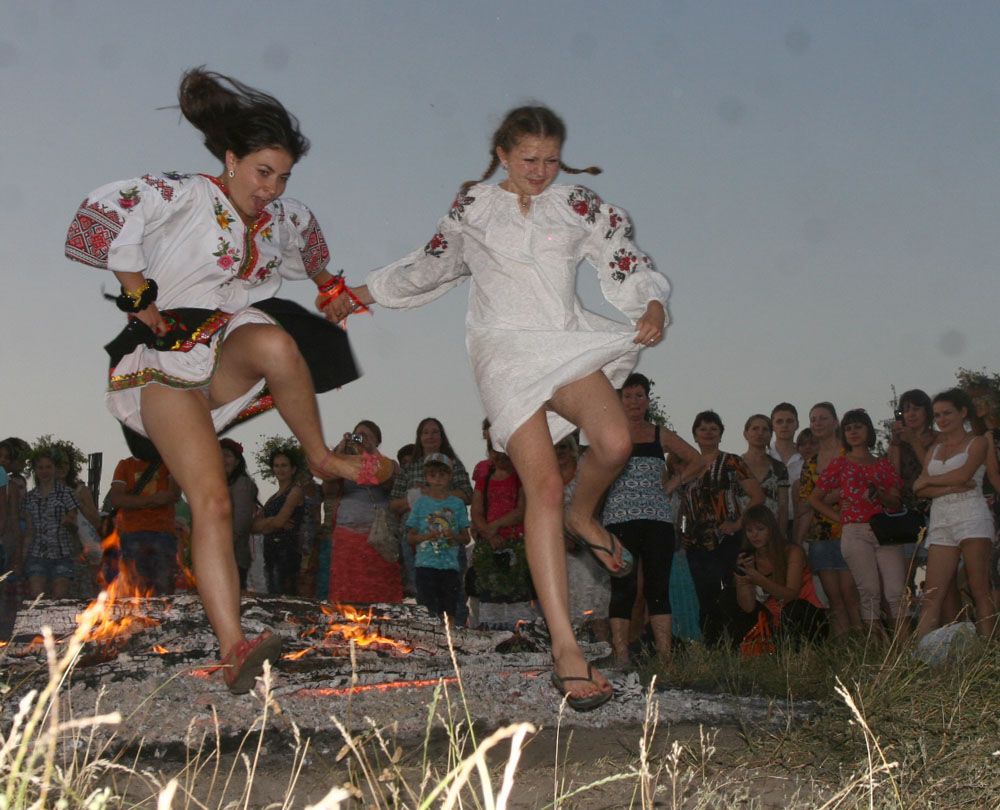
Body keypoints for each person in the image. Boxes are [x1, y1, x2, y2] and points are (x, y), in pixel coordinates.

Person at [330, 105, 670, 711]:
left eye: (551, 159)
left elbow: (624, 257)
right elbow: (430, 263)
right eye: (528, 159)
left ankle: (583, 517)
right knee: (541, 486)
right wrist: (359, 293)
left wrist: (650, 303)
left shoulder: (579, 206)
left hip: (562, 338)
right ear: (504, 155)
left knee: (615, 441)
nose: (541, 171)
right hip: (503, 350)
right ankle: (567, 651)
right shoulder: (474, 208)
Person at [65, 68, 390, 693]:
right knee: (211, 501)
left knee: (275, 338)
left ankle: (321, 455)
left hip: (229, 343)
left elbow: (313, 254)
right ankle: (234, 644)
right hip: (165, 359)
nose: (272, 188)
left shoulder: (285, 216)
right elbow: (104, 216)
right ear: (232, 159)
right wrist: (139, 296)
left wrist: (329, 288)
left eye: (283, 176)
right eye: (262, 172)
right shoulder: (185, 194)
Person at [601, 372, 701, 667]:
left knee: (658, 586)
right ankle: (621, 655)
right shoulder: (608, 433)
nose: (634, 402)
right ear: (619, 400)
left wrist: (672, 484)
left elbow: (697, 459)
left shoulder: (659, 434)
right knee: (623, 587)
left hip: (657, 519)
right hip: (619, 519)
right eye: (628, 396)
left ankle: (666, 657)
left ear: (647, 400)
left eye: (639, 396)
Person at [808, 409, 906, 639]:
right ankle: (876, 646)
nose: (853, 432)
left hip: (885, 529)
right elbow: (814, 498)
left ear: (868, 430)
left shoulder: (883, 464)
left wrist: (880, 494)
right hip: (855, 531)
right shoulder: (840, 464)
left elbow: (896, 501)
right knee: (868, 590)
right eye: (849, 428)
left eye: (858, 426)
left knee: (895, 591)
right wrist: (841, 519)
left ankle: (903, 645)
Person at [913, 389, 997, 640]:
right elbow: (918, 489)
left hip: (972, 515)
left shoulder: (979, 442)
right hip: (941, 519)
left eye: (947, 413)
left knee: (979, 588)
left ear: (963, 412)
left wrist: (929, 481)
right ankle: (919, 656)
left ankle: (987, 652)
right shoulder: (935, 449)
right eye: (937, 415)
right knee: (932, 594)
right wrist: (948, 486)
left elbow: (963, 475)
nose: (942, 419)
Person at [676, 410, 764, 639]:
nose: (708, 432)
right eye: (702, 428)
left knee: (734, 590)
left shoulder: (733, 461)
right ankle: (712, 647)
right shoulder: (686, 464)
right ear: (694, 435)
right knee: (705, 595)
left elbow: (757, 496)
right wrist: (681, 533)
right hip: (695, 541)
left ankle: (742, 643)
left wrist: (737, 524)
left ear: (721, 433)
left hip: (728, 538)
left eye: (713, 428)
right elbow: (680, 503)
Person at [712, 504, 827, 649]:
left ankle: (792, 652)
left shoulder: (791, 551)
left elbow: (791, 595)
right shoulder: (748, 557)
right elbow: (748, 607)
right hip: (771, 618)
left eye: (760, 529)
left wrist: (759, 579)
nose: (754, 535)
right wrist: (742, 578)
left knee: (794, 609)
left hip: (803, 614)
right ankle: (744, 647)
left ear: (771, 529)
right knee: (727, 596)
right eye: (749, 530)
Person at [796, 403, 862, 637]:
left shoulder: (851, 454)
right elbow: (804, 504)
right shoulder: (811, 462)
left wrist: (821, 498)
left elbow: (859, 488)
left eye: (823, 418)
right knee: (833, 600)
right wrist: (798, 543)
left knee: (851, 594)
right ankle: (842, 650)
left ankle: (865, 647)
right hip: (820, 536)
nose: (818, 423)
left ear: (835, 422)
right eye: (813, 419)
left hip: (850, 532)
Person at [390, 418, 473, 601]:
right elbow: (393, 504)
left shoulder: (453, 464)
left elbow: (467, 494)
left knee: (453, 594)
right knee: (423, 593)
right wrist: (415, 497)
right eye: (425, 432)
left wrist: (436, 493)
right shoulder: (410, 467)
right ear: (419, 437)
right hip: (415, 540)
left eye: (435, 432)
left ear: (442, 436)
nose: (430, 436)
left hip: (449, 538)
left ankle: (456, 628)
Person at [327, 420, 403, 605]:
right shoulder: (344, 462)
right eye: (357, 434)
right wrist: (339, 454)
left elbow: (393, 486)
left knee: (379, 585)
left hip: (377, 536)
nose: (361, 439)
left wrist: (371, 455)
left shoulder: (388, 464)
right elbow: (328, 490)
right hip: (348, 532)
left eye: (366, 436)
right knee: (347, 586)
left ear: (377, 441)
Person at [470, 435, 531, 629]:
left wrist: (495, 526)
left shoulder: (520, 477)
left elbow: (521, 510)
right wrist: (489, 534)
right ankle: (492, 637)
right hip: (489, 546)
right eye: (496, 451)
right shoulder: (484, 480)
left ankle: (519, 636)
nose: (501, 456)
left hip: (516, 543)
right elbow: (476, 511)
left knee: (517, 594)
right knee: (490, 594)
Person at [406, 454, 472, 620]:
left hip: (449, 566)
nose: (437, 479)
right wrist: (428, 536)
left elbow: (466, 538)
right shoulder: (421, 504)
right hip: (425, 565)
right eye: (433, 475)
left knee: (449, 610)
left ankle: (447, 641)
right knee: (427, 611)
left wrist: (453, 535)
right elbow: (410, 537)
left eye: (442, 474)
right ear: (426, 477)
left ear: (450, 476)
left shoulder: (457, 504)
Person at [106, 454, 181, 595]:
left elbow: (173, 494)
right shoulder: (125, 465)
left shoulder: (169, 462)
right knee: (135, 588)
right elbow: (116, 499)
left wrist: (134, 501)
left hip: (162, 533)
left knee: (163, 589)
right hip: (133, 533)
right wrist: (151, 500)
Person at [19, 447, 79, 599]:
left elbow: (74, 522)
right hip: (36, 553)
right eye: (40, 467)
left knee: (59, 596)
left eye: (48, 467)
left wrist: (68, 522)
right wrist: (22, 558)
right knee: (36, 596)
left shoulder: (66, 493)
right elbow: (29, 532)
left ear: (54, 469)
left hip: (61, 553)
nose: (44, 471)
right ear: (35, 470)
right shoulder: (29, 497)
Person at [252, 446, 304, 596]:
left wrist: (270, 523)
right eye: (276, 466)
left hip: (287, 553)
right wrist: (271, 521)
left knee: (285, 599)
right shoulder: (272, 498)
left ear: (293, 469)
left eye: (284, 465)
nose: (280, 469)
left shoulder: (295, 491)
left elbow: (279, 523)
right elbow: (253, 526)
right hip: (270, 554)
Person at [220, 439, 258, 591]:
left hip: (233, 556)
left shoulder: (242, 483)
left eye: (227, 455)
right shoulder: (219, 483)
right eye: (219, 455)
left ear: (237, 461)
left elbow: (241, 521)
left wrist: (223, 547)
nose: (223, 459)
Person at [742, 415, 790, 530]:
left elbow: (783, 506)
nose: (760, 433)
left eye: (765, 429)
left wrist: (782, 534)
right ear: (746, 434)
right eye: (755, 429)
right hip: (741, 531)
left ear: (770, 435)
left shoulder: (779, 467)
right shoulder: (735, 465)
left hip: (770, 531)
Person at [769, 403, 802, 537]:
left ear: (797, 424)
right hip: (770, 524)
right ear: (772, 425)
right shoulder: (764, 458)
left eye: (789, 421)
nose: (784, 425)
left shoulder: (807, 459)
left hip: (802, 523)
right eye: (779, 421)